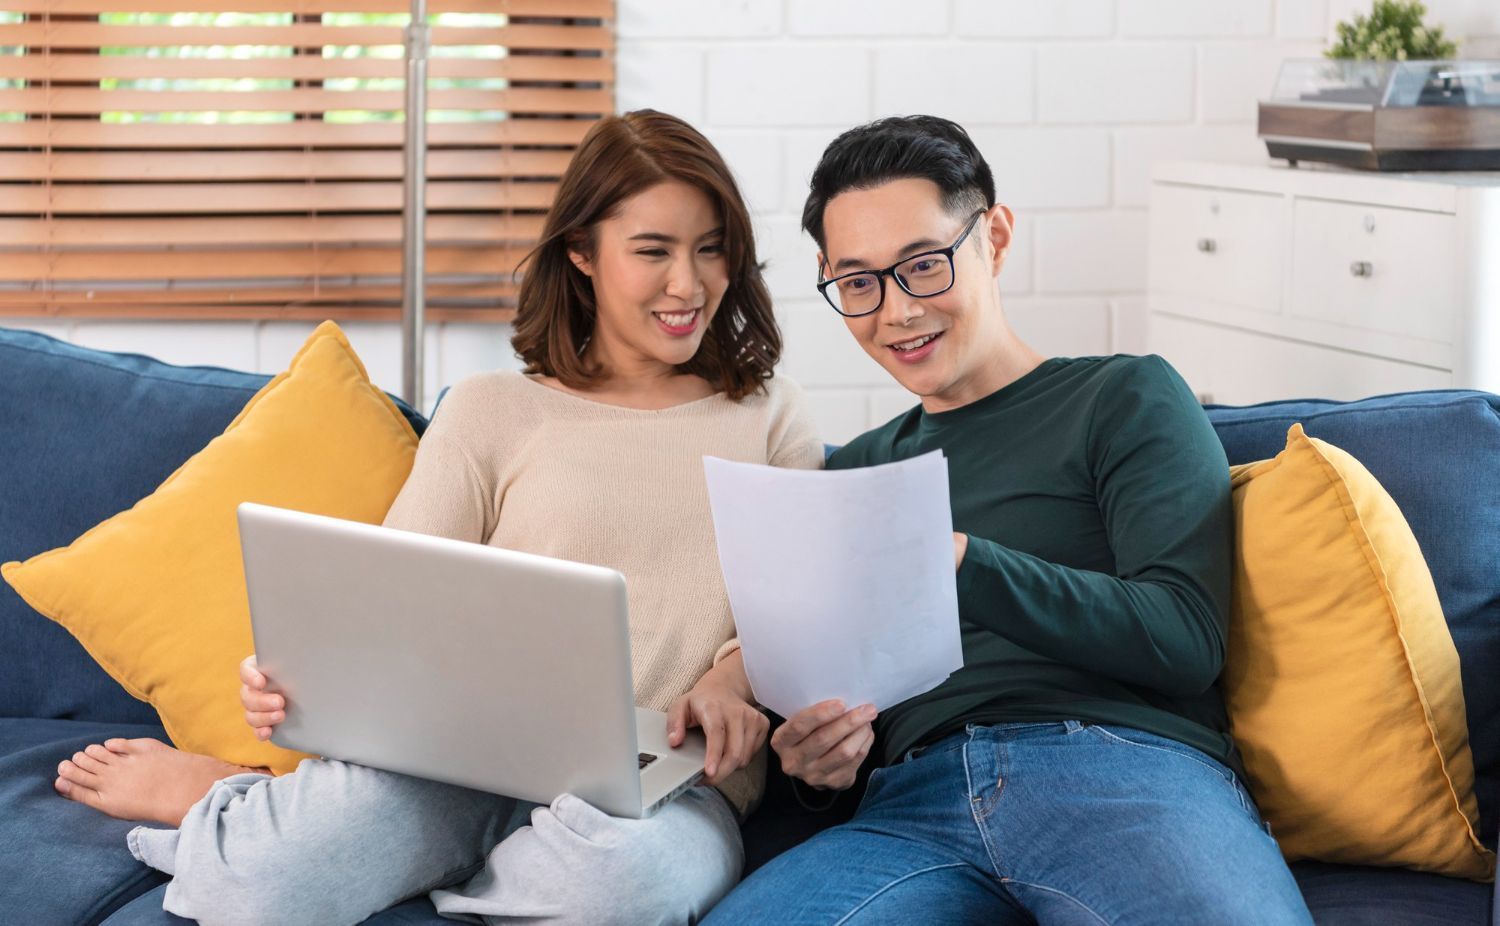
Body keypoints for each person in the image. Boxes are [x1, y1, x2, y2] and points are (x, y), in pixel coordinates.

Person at [51, 109, 824, 926]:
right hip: (460, 768)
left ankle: (426, 859)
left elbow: (799, 605)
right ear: (581, 254)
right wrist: (298, 682)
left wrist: (728, 680)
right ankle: (238, 802)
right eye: (654, 251)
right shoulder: (493, 409)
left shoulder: (769, 416)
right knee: (259, 883)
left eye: (711, 247)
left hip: (670, 787)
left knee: (628, 889)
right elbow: (391, 597)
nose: (690, 283)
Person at [704, 115, 1315, 925]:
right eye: (859, 283)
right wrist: (820, 772)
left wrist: (959, 561)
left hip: (1120, 770)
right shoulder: (852, 474)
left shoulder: (1124, 397)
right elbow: (839, 709)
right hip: (904, 810)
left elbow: (1184, 639)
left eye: (923, 265)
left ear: (993, 236)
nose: (895, 312)